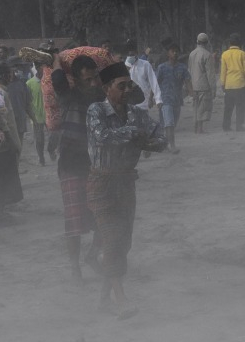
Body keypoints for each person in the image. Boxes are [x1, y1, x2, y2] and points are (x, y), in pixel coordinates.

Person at [86, 62, 168, 318]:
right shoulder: (96, 110)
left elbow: (162, 140)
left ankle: (103, 297)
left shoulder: (136, 113)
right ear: (107, 88)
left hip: (126, 183)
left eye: (129, 85)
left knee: (123, 243)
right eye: (121, 86)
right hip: (101, 183)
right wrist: (136, 134)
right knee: (112, 239)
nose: (127, 90)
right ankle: (121, 299)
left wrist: (148, 142)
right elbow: (102, 137)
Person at [52, 55, 102, 278]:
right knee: (74, 219)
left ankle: (91, 256)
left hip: (96, 165)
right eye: (87, 79)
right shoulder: (69, 96)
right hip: (71, 164)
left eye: (95, 78)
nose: (92, 83)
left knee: (103, 216)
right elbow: (57, 79)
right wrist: (55, 59)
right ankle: (75, 267)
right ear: (77, 80)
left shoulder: (101, 97)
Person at [0, 63, 24, 211]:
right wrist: (12, 142)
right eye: (10, 73)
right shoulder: (0, 93)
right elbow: (3, 121)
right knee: (5, 175)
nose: (12, 75)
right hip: (6, 140)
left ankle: (3, 207)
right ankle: (2, 208)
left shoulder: (2, 91)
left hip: (8, 138)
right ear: (2, 75)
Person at [155, 43, 191, 153]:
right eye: (172, 51)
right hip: (165, 99)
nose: (175, 53)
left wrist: (192, 93)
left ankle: (161, 143)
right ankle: (173, 146)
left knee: (171, 124)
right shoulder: (162, 67)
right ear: (168, 53)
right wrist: (153, 98)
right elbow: (155, 83)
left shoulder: (182, 67)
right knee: (169, 123)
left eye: (176, 51)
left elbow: (187, 81)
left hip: (177, 100)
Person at [219, 34, 245, 132]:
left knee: (228, 107)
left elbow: (223, 71)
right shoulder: (242, 54)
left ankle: (226, 126)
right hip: (240, 84)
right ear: (239, 44)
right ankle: (239, 126)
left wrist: (222, 83)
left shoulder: (224, 54)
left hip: (229, 85)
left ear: (229, 43)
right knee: (240, 106)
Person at [123, 41, 162, 112]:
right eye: (129, 55)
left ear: (136, 53)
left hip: (144, 102)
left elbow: (153, 82)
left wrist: (157, 99)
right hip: (129, 102)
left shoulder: (145, 64)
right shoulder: (124, 66)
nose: (131, 56)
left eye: (132, 54)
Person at [187, 33, 214, 134]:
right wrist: (213, 88)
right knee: (202, 108)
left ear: (197, 41)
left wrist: (188, 86)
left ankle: (195, 127)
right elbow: (210, 74)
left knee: (195, 106)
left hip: (193, 84)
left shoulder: (191, 54)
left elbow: (189, 70)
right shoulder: (207, 55)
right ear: (206, 42)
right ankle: (200, 128)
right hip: (204, 85)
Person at [25, 64, 47, 166]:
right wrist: (31, 115)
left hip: (49, 114)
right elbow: (27, 101)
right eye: (43, 68)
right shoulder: (29, 83)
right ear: (38, 68)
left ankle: (51, 150)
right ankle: (41, 157)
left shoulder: (48, 81)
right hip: (37, 116)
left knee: (55, 135)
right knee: (39, 138)